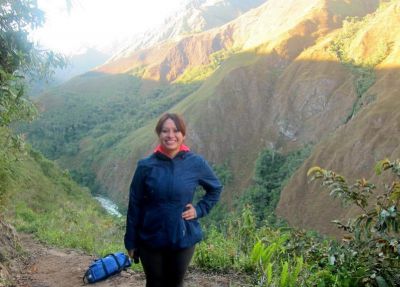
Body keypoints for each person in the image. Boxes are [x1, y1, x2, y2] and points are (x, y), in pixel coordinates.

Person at [124, 113, 223, 287]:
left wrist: (199, 210)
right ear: (159, 134)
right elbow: (135, 204)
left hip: (182, 237)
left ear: (183, 135)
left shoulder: (196, 163)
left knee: (175, 283)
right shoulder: (146, 166)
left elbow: (215, 188)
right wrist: (130, 241)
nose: (170, 135)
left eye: (176, 131)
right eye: (165, 131)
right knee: (154, 283)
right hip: (151, 237)